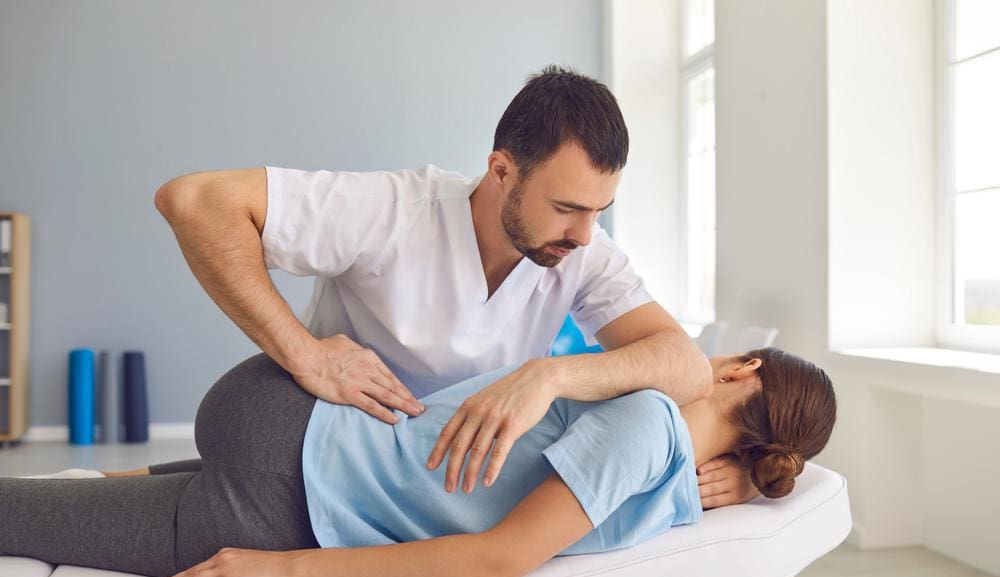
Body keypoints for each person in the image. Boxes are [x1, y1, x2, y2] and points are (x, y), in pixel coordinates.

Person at [150, 64, 757, 509]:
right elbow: (195, 202)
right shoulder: (393, 209)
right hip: (325, 454)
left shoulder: (582, 250)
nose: (585, 233)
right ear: (501, 171)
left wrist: (547, 376)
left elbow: (683, 365)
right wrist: (302, 353)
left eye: (601, 210)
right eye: (568, 207)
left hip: (447, 481)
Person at [1, 347, 835, 577]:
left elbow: (490, 559)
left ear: (741, 368)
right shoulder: (654, 439)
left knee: (34, 510)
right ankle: (134, 486)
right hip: (282, 478)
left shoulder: (647, 423)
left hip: (285, 440)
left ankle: (129, 481)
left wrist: (285, 569)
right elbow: (494, 557)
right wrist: (283, 564)